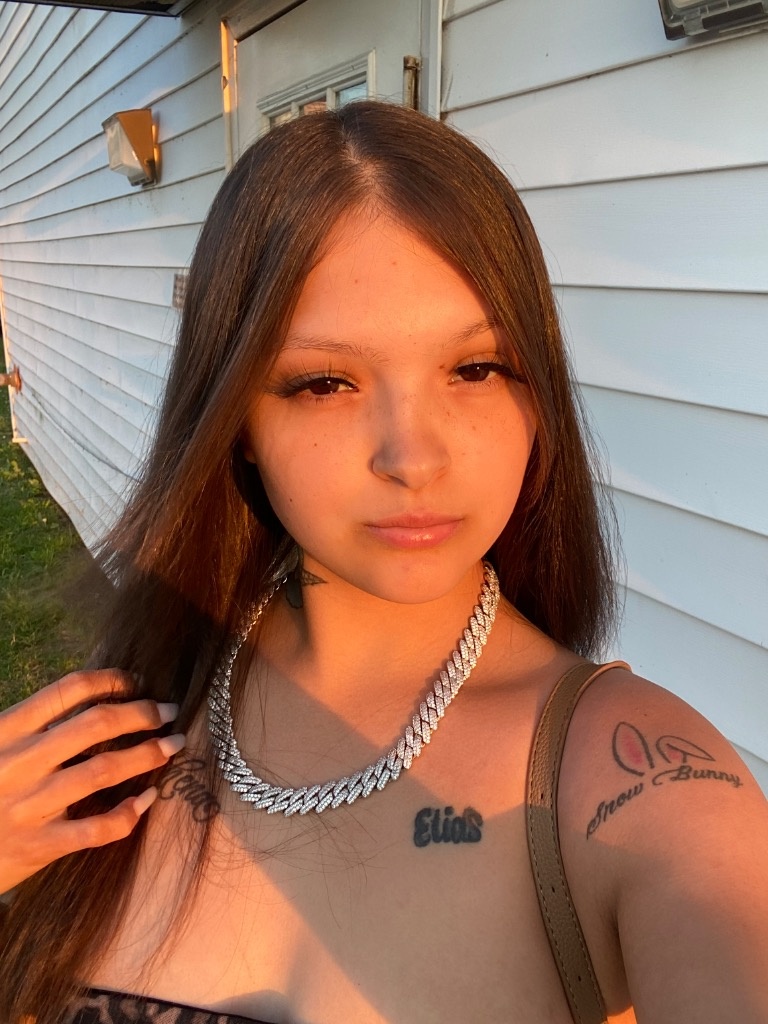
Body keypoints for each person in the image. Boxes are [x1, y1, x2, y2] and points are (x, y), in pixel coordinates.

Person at [1, 101, 766, 1024]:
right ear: (237, 420)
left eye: (476, 369)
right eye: (326, 382)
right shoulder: (133, 711)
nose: (413, 458)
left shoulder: (638, 787)